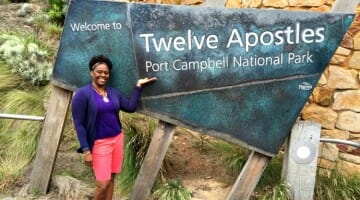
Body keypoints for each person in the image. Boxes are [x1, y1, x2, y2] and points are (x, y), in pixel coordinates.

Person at [71, 55, 156, 200]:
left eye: (106, 72)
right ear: (92, 73)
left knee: (111, 179)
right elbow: (79, 124)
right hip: (99, 144)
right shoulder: (82, 94)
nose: (103, 75)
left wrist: (138, 87)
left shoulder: (113, 92)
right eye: (99, 71)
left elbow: (130, 107)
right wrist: (86, 150)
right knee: (102, 184)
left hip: (117, 139)